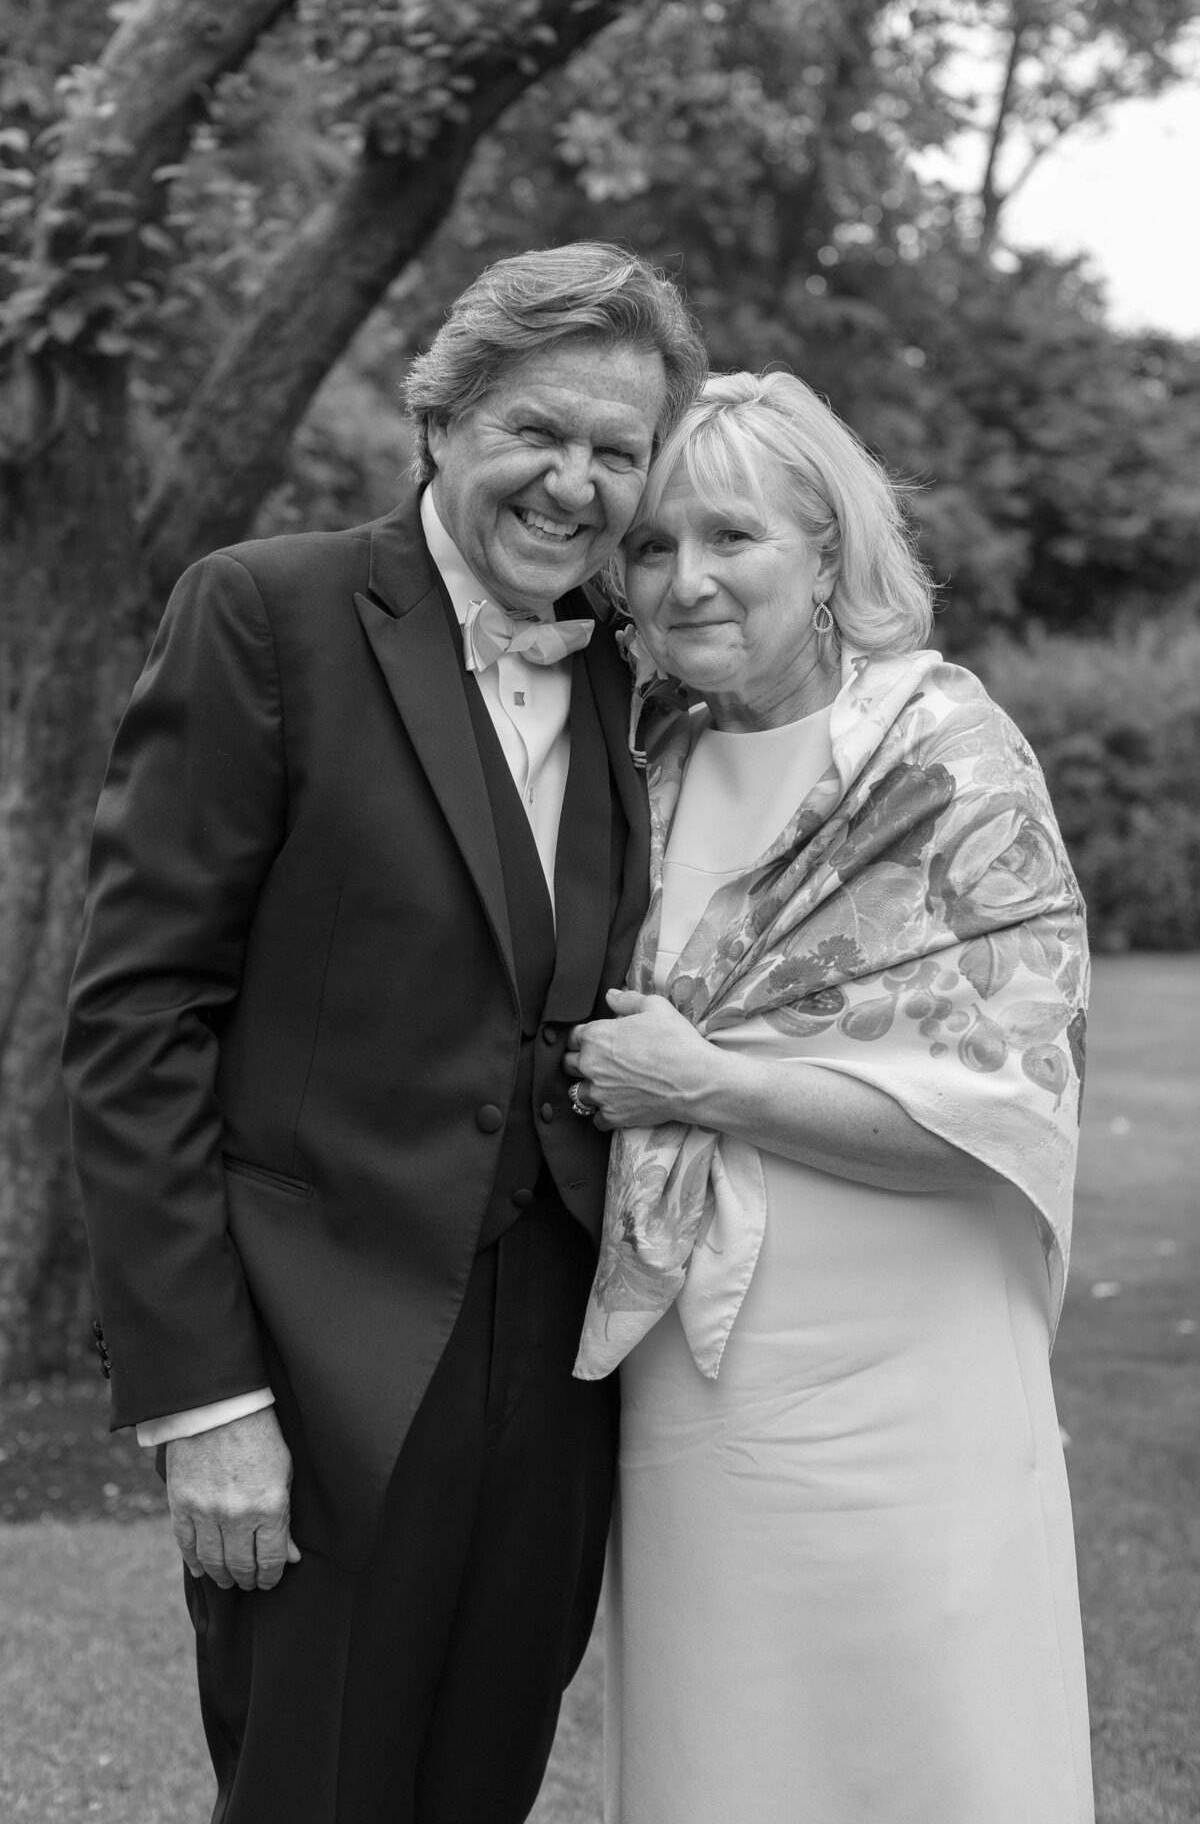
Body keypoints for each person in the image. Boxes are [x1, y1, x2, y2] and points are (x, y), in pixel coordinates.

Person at [61, 241, 708, 1824]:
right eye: (536, 432)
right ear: (441, 421)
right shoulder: (266, 612)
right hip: (318, 1369)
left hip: (560, 1376)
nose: (575, 485)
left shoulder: (644, 679)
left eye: (617, 453)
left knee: (479, 1787)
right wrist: (206, 1400)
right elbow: (139, 1016)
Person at [563, 370, 1094, 1824]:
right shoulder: (640, 768)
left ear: (825, 556)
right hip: (706, 1357)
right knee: (727, 1733)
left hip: (911, 1361)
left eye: (732, 537)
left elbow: (1009, 1114)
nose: (686, 578)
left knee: (935, 1726)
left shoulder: (948, 757)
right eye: (655, 545)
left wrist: (707, 1082)